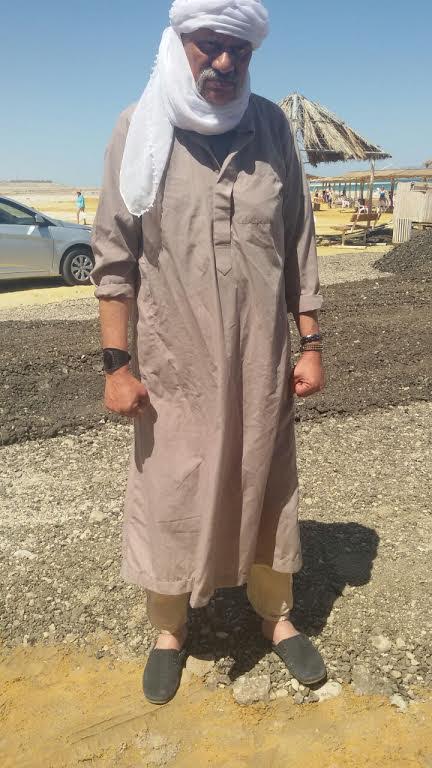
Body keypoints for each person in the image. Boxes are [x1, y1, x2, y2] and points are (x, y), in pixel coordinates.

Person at [91, 0, 327, 706]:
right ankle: (169, 628)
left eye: (239, 50)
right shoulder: (139, 129)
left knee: (266, 477)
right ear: (180, 43)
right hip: (174, 361)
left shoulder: (272, 128)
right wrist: (117, 365)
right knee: (171, 485)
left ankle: (274, 615)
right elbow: (114, 257)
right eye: (208, 45)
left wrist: (311, 342)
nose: (224, 62)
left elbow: (298, 242)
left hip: (261, 357)